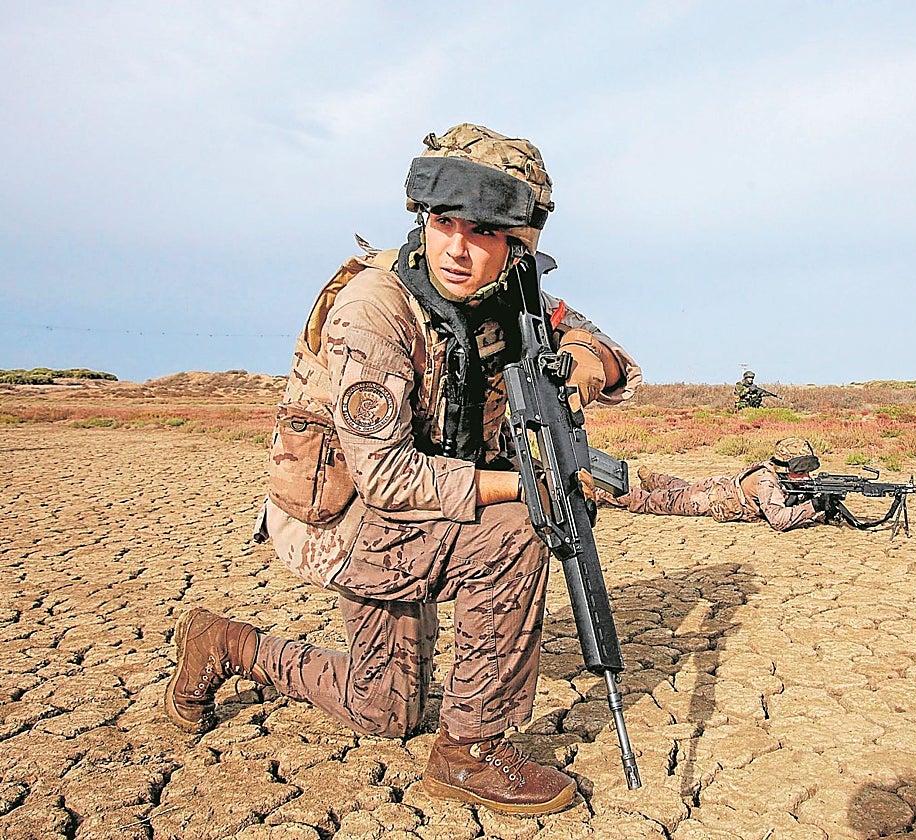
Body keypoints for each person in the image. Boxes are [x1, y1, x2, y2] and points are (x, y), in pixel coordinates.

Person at [163, 124, 641, 817]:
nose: (457, 246)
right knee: (521, 528)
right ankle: (470, 751)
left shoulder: (516, 292)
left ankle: (226, 643)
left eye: (483, 231)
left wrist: (582, 368)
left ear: (518, 242)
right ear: (424, 218)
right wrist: (521, 484)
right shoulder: (376, 304)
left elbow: (614, 356)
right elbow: (386, 477)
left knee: (382, 711)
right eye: (445, 222)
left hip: (425, 514)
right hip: (353, 522)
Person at [596, 437, 827, 531]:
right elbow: (778, 521)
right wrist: (813, 507)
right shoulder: (768, 479)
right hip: (708, 499)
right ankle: (603, 491)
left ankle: (652, 478)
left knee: (680, 489)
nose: (805, 477)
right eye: (801, 471)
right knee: (654, 502)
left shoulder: (778, 475)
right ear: (785, 466)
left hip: (716, 487)